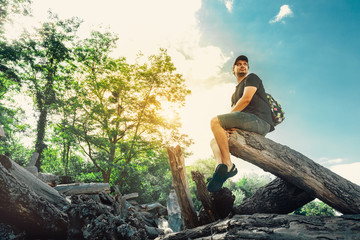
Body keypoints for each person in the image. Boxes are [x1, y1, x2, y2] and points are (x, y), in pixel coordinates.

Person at [207, 55, 274, 192]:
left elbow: (246, 100)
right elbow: (236, 115)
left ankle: (228, 164)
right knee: (214, 141)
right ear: (233, 69)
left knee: (215, 122)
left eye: (245, 64)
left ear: (248, 68)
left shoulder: (252, 78)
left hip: (260, 121)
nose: (242, 65)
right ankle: (220, 169)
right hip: (246, 121)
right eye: (238, 64)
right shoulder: (233, 95)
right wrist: (229, 129)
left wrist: (225, 124)